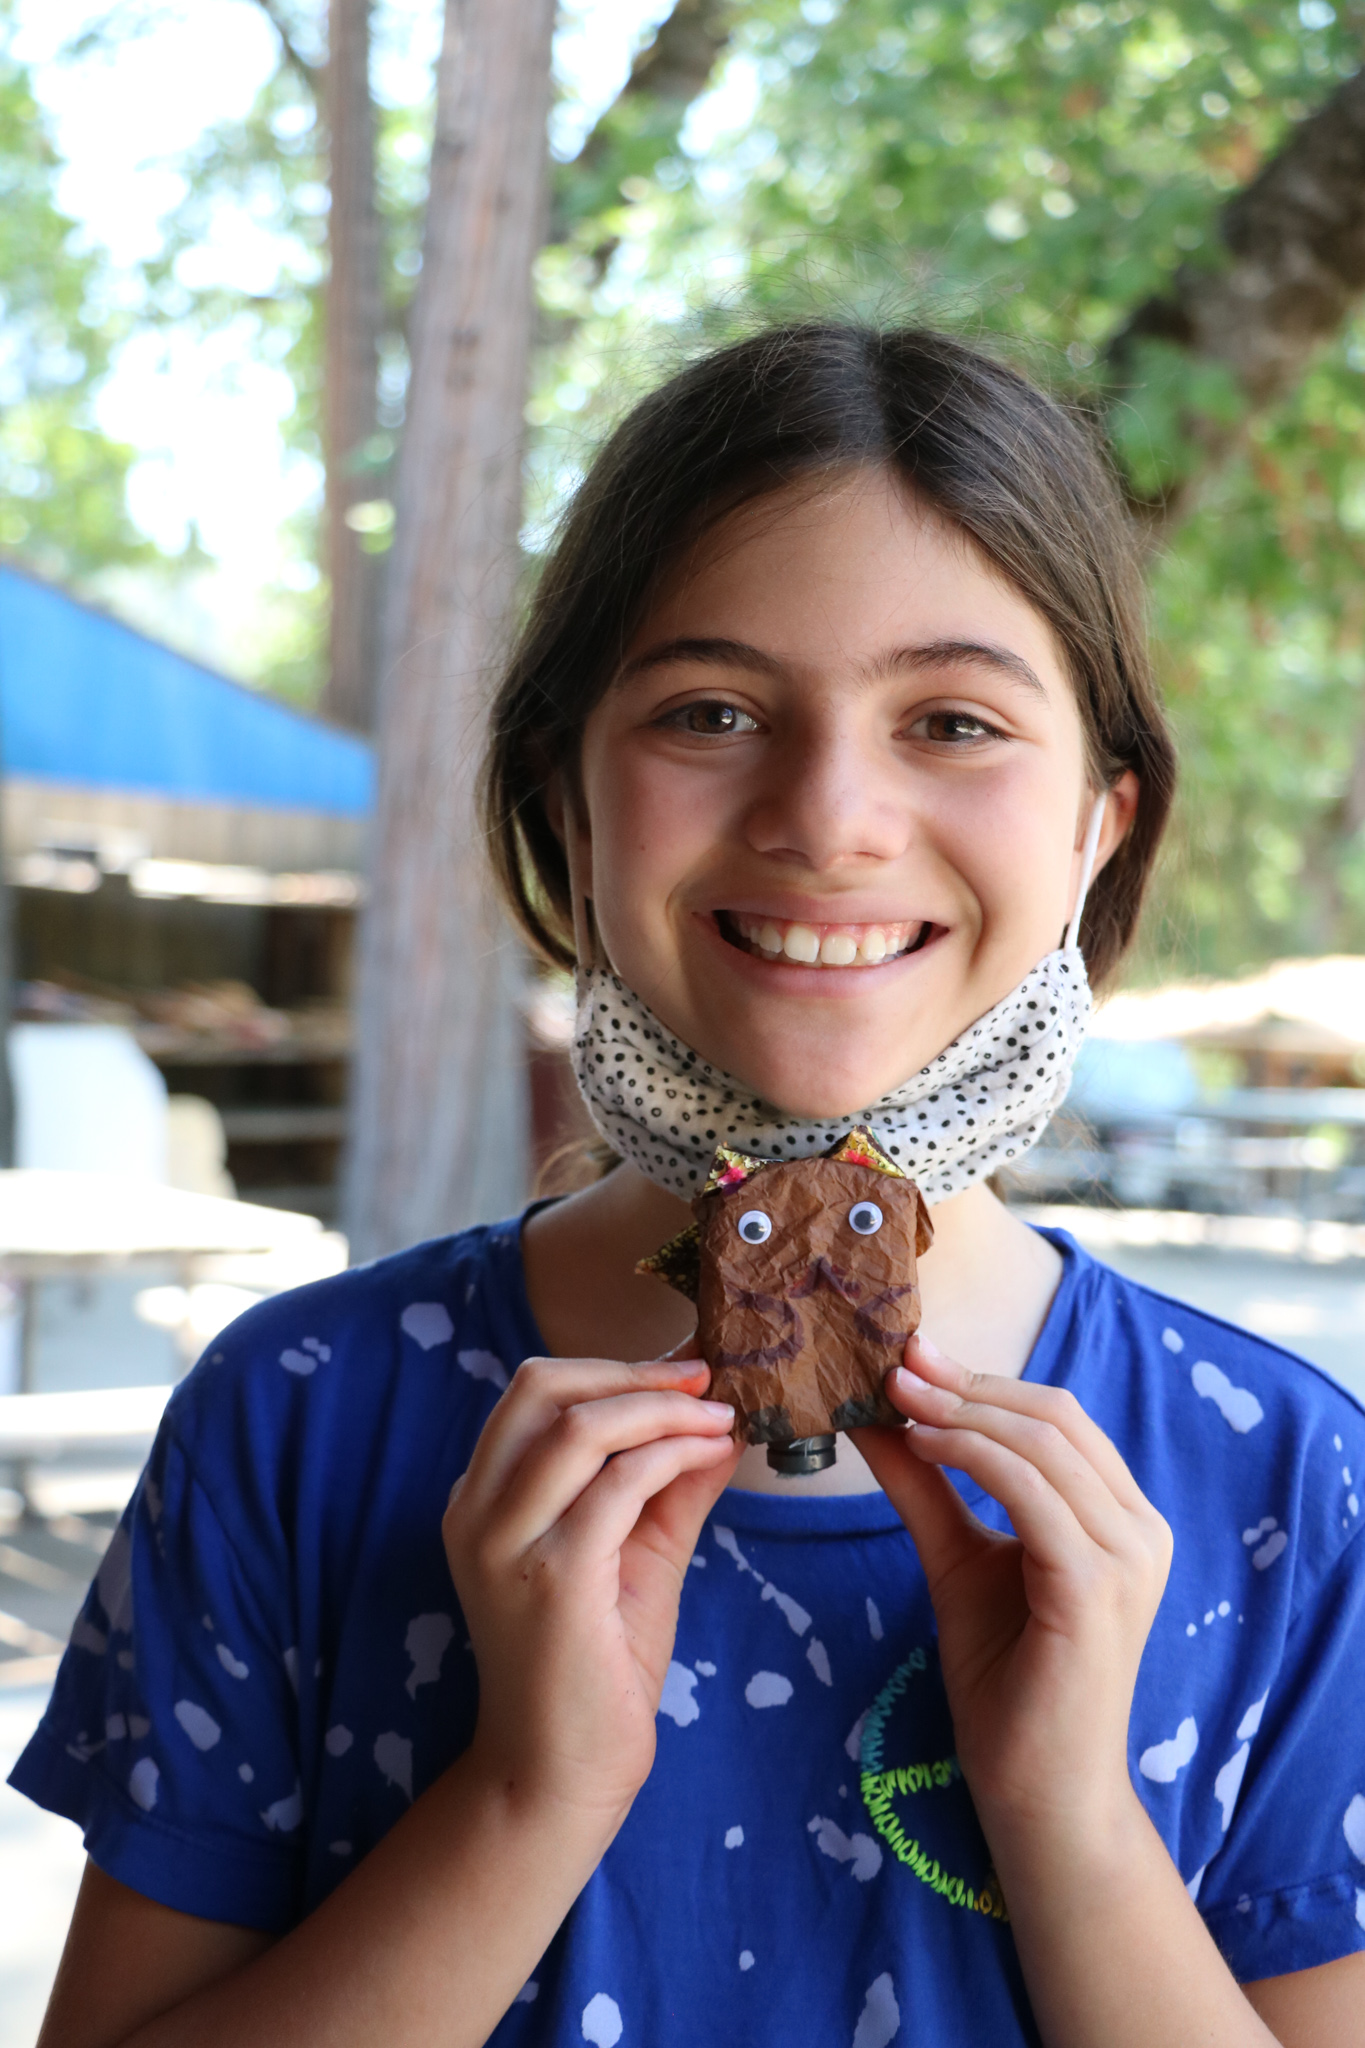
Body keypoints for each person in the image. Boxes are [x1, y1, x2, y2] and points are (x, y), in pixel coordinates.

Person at [13, 326, 1365, 2048]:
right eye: (711, 712)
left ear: (1099, 824)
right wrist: (527, 1797)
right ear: (566, 803)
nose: (829, 817)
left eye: (953, 722)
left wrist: (1072, 1825)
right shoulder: (296, 1420)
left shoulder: (1281, 1484)